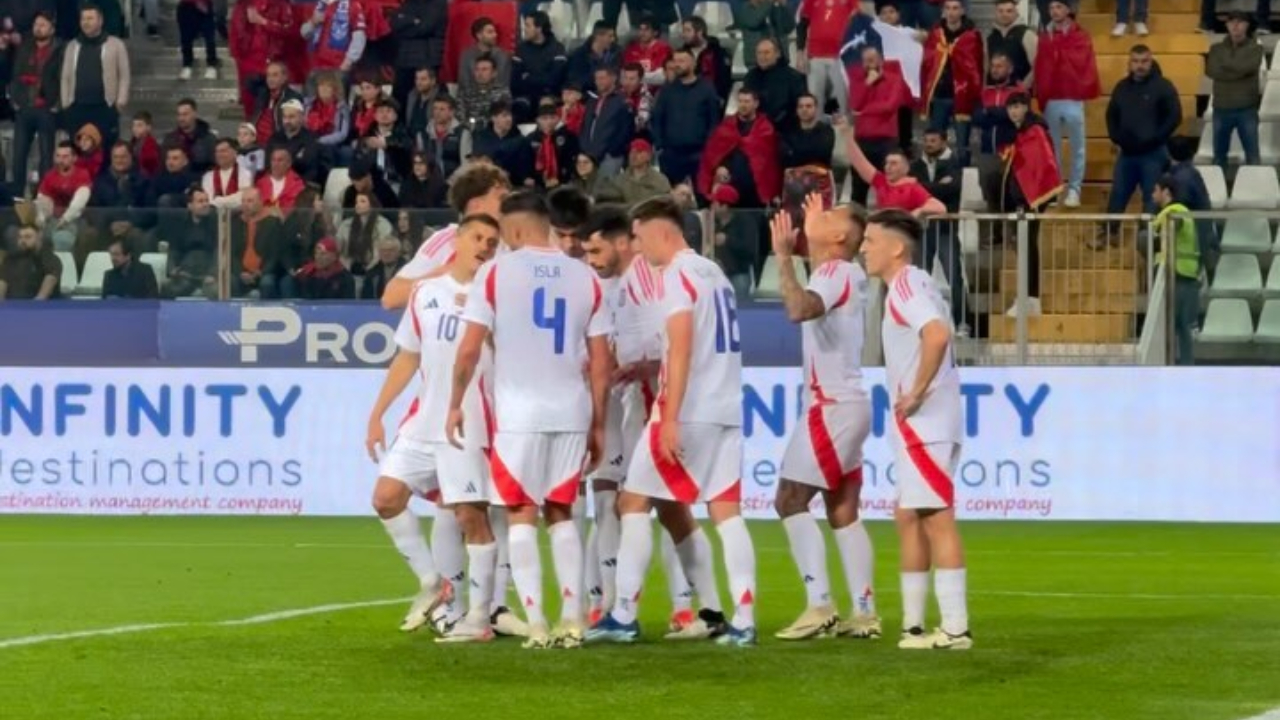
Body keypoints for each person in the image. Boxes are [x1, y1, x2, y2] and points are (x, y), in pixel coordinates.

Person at [587, 196, 756, 647]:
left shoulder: (677, 275)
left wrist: (671, 417)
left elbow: (679, 346)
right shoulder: (713, 272)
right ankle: (738, 617)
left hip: (689, 408)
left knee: (632, 503)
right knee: (724, 513)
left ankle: (623, 614)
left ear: (662, 233)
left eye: (640, 238)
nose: (638, 249)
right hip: (726, 407)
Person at [448, 191, 613, 649]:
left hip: (519, 413)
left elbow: (468, 349)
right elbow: (601, 362)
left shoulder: (496, 274)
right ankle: (573, 620)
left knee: (522, 513)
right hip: (572, 410)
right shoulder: (586, 276)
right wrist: (598, 423)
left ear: (516, 229)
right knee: (562, 512)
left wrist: (455, 401)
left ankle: (537, 624)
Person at [366, 214, 502, 639]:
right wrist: (377, 414)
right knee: (386, 498)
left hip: (469, 423)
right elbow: (408, 356)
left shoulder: (495, 297)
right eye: (478, 237)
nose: (484, 246)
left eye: (492, 242)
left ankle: (478, 618)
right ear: (457, 242)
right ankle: (432, 583)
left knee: (469, 517)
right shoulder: (424, 291)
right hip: (424, 420)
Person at [576, 207, 698, 633]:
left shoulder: (651, 278)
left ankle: (681, 606)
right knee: (613, 500)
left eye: (596, 249)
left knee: (661, 504)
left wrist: (643, 369)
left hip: (652, 404)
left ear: (623, 242)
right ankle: (609, 601)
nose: (590, 259)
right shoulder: (613, 285)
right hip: (623, 404)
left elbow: (673, 344)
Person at [767, 194, 879, 641]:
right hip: (847, 404)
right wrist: (807, 242)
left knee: (789, 500)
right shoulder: (839, 272)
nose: (816, 214)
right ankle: (865, 612)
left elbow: (799, 309)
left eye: (826, 215)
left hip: (830, 407)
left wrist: (781, 256)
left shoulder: (836, 272)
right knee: (842, 510)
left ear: (839, 237)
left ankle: (820, 605)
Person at [859, 208, 971, 651]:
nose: (863, 248)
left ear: (896, 248)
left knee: (936, 517)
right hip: (927, 421)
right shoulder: (914, 283)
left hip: (926, 421)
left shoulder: (905, 285)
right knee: (908, 514)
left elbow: (937, 335)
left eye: (870, 241)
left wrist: (918, 391)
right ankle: (913, 626)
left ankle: (956, 628)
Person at [382, 161, 510, 310]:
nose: (509, 205)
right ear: (476, 205)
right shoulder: (445, 241)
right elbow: (391, 298)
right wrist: (447, 274)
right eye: (501, 199)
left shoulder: (512, 245)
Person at [988, 92, 1062, 318]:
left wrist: (1026, 199)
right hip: (1023, 199)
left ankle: (1030, 299)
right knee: (1025, 246)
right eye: (1010, 107)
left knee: (1028, 246)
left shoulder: (1034, 131)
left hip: (1031, 199)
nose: (1013, 111)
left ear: (1026, 108)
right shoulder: (1022, 131)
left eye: (1018, 106)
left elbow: (1040, 167)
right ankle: (1030, 298)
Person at [1035, 0, 1099, 208]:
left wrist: (1059, 49)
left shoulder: (1080, 35)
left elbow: (1083, 62)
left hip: (1072, 96)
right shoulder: (1045, 37)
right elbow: (1041, 65)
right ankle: (1056, 187)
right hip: (1051, 97)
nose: (1054, 12)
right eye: (1052, 8)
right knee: (1051, 147)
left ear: (1069, 10)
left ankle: (1074, 189)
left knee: (1077, 146)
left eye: (1059, 7)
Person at [1104, 44, 1180, 219]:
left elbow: (1174, 116)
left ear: (1151, 61)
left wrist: (1156, 138)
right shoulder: (1121, 87)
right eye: (1136, 61)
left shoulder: (1163, 86)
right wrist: (1116, 137)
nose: (1140, 65)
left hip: (1153, 154)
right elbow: (1111, 115)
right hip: (1127, 154)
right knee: (1118, 195)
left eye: (1144, 61)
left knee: (1151, 199)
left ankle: (1147, 238)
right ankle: (1109, 234)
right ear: (1129, 63)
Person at [837, 115, 946, 217]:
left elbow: (940, 208)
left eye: (894, 163)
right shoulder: (881, 181)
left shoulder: (913, 188)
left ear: (906, 168)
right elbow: (859, 162)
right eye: (887, 163)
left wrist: (919, 211)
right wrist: (847, 136)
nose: (888, 167)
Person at [920, 0, 982, 166]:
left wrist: (975, 94)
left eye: (955, 8)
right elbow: (927, 64)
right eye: (947, 8)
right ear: (943, 11)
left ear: (962, 10)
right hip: (939, 96)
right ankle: (936, 175)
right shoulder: (935, 34)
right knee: (934, 141)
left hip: (962, 97)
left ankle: (962, 179)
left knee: (962, 144)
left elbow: (977, 66)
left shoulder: (972, 36)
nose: (951, 12)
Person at [847, 46, 912, 205]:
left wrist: (865, 110)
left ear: (881, 61)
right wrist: (868, 84)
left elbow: (890, 106)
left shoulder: (895, 79)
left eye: (872, 60)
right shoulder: (858, 81)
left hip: (886, 142)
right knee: (858, 190)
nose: (868, 64)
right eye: (865, 61)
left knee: (889, 187)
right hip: (862, 141)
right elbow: (855, 105)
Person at [697, 86, 781, 208]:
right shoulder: (725, 127)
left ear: (756, 104)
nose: (743, 105)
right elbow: (713, 156)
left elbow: (769, 164)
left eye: (747, 102)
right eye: (740, 101)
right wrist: (721, 167)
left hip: (754, 192)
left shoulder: (765, 129)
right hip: (730, 188)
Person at [59, 3, 130, 148]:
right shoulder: (72, 46)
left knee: (106, 153)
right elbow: (65, 77)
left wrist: (120, 101)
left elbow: (124, 75)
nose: (86, 22)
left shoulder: (116, 44)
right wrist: (66, 103)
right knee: (78, 153)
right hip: (77, 108)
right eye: (83, 19)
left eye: (90, 18)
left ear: (100, 20)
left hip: (105, 108)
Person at [649, 48, 721, 187]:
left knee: (702, 194)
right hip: (671, 154)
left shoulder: (707, 88)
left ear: (693, 63)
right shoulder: (667, 90)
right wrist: (660, 145)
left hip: (699, 153)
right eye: (675, 61)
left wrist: (708, 147)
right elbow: (657, 118)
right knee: (671, 198)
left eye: (682, 61)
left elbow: (714, 120)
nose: (677, 65)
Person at [8, 11, 61, 195]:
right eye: (36, 24)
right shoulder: (25, 47)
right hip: (24, 108)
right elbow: (15, 75)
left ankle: (44, 196)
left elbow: (62, 77)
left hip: (46, 109)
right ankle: (17, 197)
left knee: (47, 157)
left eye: (43, 24)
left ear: (52, 29)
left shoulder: (59, 49)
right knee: (18, 156)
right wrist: (16, 100)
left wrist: (56, 102)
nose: (38, 27)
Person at [1152, 176, 1201, 366]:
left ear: (1166, 192)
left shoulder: (1173, 212)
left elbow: (1158, 236)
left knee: (1173, 324)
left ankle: (1171, 366)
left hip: (1176, 274)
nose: (1152, 194)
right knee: (1182, 326)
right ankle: (1185, 365)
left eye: (1156, 190)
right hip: (1185, 273)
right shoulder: (1183, 211)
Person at [1206, 12, 1263, 169]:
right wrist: (1238, 70)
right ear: (1227, 25)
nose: (1235, 26)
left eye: (1240, 22)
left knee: (1253, 156)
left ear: (1247, 25)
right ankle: (1217, 190)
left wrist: (1226, 68)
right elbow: (1212, 70)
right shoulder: (1215, 48)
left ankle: (1256, 191)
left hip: (1247, 109)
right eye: (1232, 22)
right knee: (1218, 157)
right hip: (1221, 108)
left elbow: (1248, 67)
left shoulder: (1256, 49)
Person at [229, 0, 294, 117]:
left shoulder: (280, 4)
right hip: (247, 61)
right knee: (250, 107)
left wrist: (264, 22)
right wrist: (237, 56)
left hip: (273, 60)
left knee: (273, 108)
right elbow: (236, 32)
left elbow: (288, 30)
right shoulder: (243, 4)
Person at [797, 0, 856, 114]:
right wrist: (800, 52)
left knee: (844, 98)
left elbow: (856, 22)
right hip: (816, 55)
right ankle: (817, 128)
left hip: (840, 56)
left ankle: (846, 128)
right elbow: (802, 25)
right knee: (815, 98)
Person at [36, 141, 93, 252]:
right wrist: (41, 218)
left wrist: (66, 219)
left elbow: (80, 201)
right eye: (58, 156)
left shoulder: (82, 174)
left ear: (74, 158)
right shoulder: (50, 176)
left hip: (76, 221)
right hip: (53, 221)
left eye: (65, 156)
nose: (60, 160)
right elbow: (42, 198)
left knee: (63, 239)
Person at [389, 0, 447, 107]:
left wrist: (406, 26)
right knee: (398, 102)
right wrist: (413, 20)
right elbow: (394, 23)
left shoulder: (438, 4)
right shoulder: (407, 3)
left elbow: (425, 27)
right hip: (404, 60)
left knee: (428, 102)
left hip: (428, 59)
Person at [512, 11, 567, 123]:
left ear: (539, 28)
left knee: (546, 106)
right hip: (526, 95)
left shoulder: (557, 48)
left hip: (549, 95)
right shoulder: (521, 49)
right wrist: (542, 79)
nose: (524, 29)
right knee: (518, 108)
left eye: (528, 26)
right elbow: (515, 81)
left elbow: (554, 80)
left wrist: (528, 77)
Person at [743, 38, 807, 131]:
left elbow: (798, 107)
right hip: (756, 129)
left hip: (786, 130)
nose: (762, 57)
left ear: (777, 54)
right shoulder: (750, 77)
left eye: (766, 52)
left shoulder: (793, 77)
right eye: (759, 53)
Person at [580, 66, 633, 178]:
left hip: (610, 156)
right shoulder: (592, 100)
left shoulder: (622, 101)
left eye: (602, 78)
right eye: (596, 78)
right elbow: (585, 125)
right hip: (589, 155)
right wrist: (584, 147)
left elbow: (626, 130)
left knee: (606, 190)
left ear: (613, 78)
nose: (598, 82)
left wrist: (613, 150)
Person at [301, 0, 368, 75]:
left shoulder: (353, 5)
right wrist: (312, 23)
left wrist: (347, 63)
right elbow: (304, 34)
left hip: (338, 67)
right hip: (314, 66)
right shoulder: (313, 4)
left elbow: (359, 37)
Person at [681, 17, 732, 110]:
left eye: (688, 31)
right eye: (683, 31)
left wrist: (720, 97)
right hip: (685, 101)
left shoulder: (718, 52)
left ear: (699, 32)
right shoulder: (680, 53)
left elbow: (724, 79)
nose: (684, 34)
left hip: (711, 101)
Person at [0, 225, 63, 300]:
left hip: (40, 308)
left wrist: (35, 304)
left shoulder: (50, 259)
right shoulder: (10, 259)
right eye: (20, 237)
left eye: (28, 237)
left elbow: (50, 280)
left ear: (39, 236)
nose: (22, 241)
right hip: (12, 307)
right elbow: (2, 282)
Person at [419, 95, 472, 181]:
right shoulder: (423, 134)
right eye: (435, 109)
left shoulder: (462, 134)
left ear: (452, 112)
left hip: (454, 184)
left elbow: (465, 165)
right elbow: (420, 163)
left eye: (442, 109)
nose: (437, 112)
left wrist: (450, 182)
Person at [526, 102, 579, 190]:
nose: (549, 121)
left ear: (558, 119)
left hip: (562, 183)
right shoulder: (529, 140)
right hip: (537, 185)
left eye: (552, 118)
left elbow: (571, 160)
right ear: (537, 120)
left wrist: (562, 179)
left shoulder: (568, 137)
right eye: (544, 118)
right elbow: (527, 164)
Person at [986, 0, 1036, 89]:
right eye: (1000, 11)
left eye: (1009, 11)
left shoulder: (1027, 35)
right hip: (994, 95)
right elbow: (985, 68)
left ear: (1016, 12)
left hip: (1019, 98)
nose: (1004, 14)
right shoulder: (990, 38)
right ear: (995, 12)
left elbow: (1037, 67)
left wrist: (1023, 88)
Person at [734, 0, 795, 70]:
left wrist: (784, 7)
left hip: (779, 61)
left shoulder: (775, 8)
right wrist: (769, 3)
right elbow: (753, 22)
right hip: (756, 62)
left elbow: (788, 27)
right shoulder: (745, 8)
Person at [781, 94, 836, 171]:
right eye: (801, 106)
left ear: (816, 109)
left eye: (808, 106)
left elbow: (823, 153)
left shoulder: (827, 131)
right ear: (796, 110)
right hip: (795, 179)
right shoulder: (789, 133)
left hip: (821, 178)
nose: (804, 109)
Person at [458, 17, 511, 95]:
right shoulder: (467, 56)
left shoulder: (502, 56)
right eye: (490, 32)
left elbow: (502, 84)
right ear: (479, 35)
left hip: (496, 100)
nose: (495, 35)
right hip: (471, 99)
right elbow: (464, 83)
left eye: (495, 31)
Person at [565, 21, 620, 95]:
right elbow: (576, 80)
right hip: (588, 96)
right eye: (610, 36)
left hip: (612, 95)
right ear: (598, 36)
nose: (613, 39)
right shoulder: (580, 55)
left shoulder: (616, 52)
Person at [459, 54, 512, 129]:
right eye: (477, 69)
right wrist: (473, 122)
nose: (480, 73)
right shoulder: (466, 92)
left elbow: (501, 118)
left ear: (494, 73)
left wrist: (478, 122)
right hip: (469, 131)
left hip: (493, 133)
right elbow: (460, 116)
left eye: (484, 69)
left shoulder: (502, 93)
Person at [165, 99, 218, 175]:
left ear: (194, 114)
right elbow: (163, 167)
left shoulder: (209, 139)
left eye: (185, 114)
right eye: (179, 114)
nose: (181, 118)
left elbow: (215, 166)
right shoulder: (170, 139)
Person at [622, 15, 671, 91]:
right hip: (634, 92)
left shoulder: (663, 48)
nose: (642, 33)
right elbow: (625, 74)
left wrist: (636, 77)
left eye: (646, 30)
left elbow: (662, 76)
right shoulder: (631, 49)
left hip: (656, 92)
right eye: (640, 29)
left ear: (655, 32)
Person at [202, 138, 254, 210]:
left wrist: (219, 200)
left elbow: (242, 199)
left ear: (235, 153)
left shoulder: (245, 174)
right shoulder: (208, 177)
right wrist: (230, 200)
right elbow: (209, 202)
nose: (219, 155)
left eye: (223, 151)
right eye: (217, 152)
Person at [177, 0, 220, 80]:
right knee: (186, 37)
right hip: (186, 6)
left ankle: (211, 65)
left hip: (205, 4)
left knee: (209, 36)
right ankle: (187, 65)